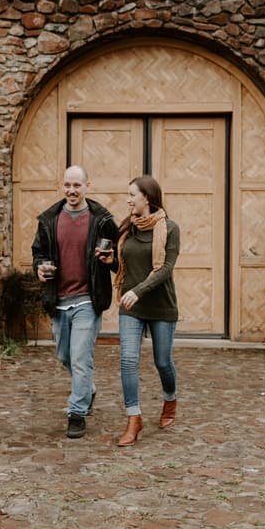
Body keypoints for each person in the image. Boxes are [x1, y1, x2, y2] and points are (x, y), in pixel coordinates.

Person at [31, 165, 119, 439]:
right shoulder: (49, 219)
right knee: (64, 356)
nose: (72, 190)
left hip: (87, 301)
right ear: (62, 186)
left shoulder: (102, 220)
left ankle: (76, 412)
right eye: (67, 185)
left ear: (87, 186)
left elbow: (118, 259)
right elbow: (39, 253)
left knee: (80, 357)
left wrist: (111, 260)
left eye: (77, 185)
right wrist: (40, 268)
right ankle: (87, 389)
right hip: (58, 299)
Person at [106, 175, 180, 447]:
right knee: (127, 360)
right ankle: (133, 418)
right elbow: (125, 269)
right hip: (131, 307)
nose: (127, 200)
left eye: (132, 195)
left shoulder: (170, 228)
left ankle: (170, 400)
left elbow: (165, 269)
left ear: (146, 198)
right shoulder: (127, 229)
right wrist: (111, 262)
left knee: (162, 361)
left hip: (160, 305)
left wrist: (138, 290)